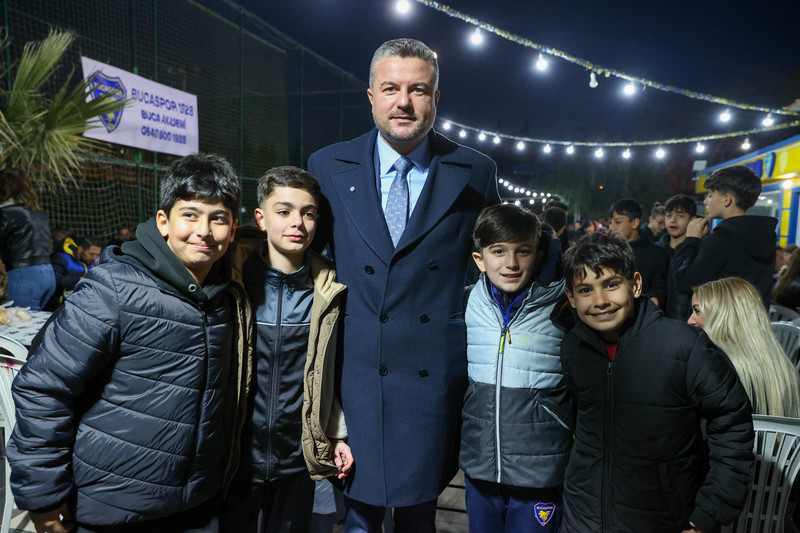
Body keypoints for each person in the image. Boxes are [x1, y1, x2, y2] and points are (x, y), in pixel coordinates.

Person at [307, 37, 499, 532]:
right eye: (391, 88)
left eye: (418, 90)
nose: (404, 102)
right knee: (357, 516)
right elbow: (305, 257)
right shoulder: (326, 165)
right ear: (371, 96)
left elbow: (505, 253)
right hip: (357, 373)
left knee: (420, 515)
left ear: (436, 98)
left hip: (433, 377)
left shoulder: (476, 171)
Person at [7, 154, 249, 533]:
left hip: (197, 505)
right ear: (163, 222)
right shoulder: (113, 289)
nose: (203, 230)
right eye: (190, 214)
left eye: (218, 218)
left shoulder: (228, 298)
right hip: (113, 508)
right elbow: (44, 388)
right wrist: (44, 497)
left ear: (233, 230)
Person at [556, 232, 754, 533]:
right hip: (582, 516)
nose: (600, 301)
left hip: (661, 518)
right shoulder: (573, 346)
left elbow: (732, 422)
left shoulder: (684, 345)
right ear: (571, 297)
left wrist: (711, 510)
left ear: (635, 284)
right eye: (585, 290)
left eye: (611, 284)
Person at [222, 166, 353, 532]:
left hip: (297, 460)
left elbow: (332, 371)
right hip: (235, 459)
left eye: (308, 213)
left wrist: (336, 432)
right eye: (284, 211)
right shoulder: (229, 279)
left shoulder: (331, 289)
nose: (297, 222)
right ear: (261, 218)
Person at [460, 204, 571, 532]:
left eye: (523, 251)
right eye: (498, 251)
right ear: (479, 259)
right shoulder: (467, 303)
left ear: (538, 255)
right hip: (481, 466)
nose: (511, 263)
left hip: (540, 471)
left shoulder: (562, 307)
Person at [689, 277, 800, 417]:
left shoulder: (716, 367)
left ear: (724, 316)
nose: (690, 321)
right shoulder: (783, 367)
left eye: (697, 311)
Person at [673, 165, 777, 308]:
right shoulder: (765, 235)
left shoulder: (721, 239)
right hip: (755, 319)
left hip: (724, 320)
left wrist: (691, 240)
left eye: (710, 195)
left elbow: (685, 284)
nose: (705, 201)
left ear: (727, 199)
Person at [0, 168, 56, 309]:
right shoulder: (39, 214)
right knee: (34, 319)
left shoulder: (7, 213)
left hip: (25, 275)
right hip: (48, 272)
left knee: (21, 319)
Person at [608, 198, 668, 307]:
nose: (612, 227)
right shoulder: (606, 252)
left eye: (618, 222)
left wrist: (654, 298)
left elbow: (659, 289)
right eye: (610, 222)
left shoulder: (657, 254)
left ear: (635, 222)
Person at [656, 194, 698, 320]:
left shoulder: (698, 251)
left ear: (692, 220)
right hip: (658, 319)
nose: (673, 220)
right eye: (669, 215)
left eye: (680, 216)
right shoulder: (656, 250)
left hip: (686, 321)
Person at [48, 235, 103, 307]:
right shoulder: (62, 258)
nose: (94, 258)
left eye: (97, 255)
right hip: (60, 303)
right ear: (80, 250)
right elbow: (54, 281)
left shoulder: (92, 263)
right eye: (91, 254)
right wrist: (78, 280)